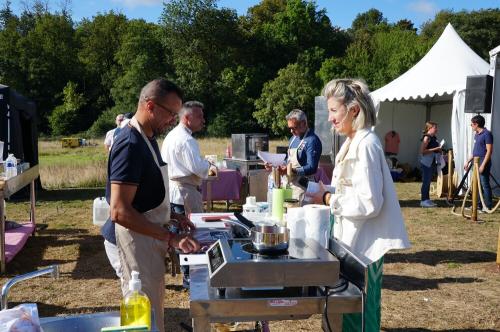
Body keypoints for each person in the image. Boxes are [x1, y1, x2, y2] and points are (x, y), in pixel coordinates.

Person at [308, 78, 410, 332]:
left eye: (334, 111)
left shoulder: (366, 144)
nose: (330, 118)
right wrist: (327, 192)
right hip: (349, 244)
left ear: (354, 109)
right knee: (344, 311)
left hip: (362, 249)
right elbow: (353, 189)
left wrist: (329, 199)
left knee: (359, 314)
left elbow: (370, 202)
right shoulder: (353, 141)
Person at [105, 78, 200, 332]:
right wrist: (170, 238)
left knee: (154, 312)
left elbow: (146, 195)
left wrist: (173, 216)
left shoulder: (148, 138)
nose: (173, 119)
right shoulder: (129, 144)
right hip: (133, 241)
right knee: (142, 318)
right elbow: (119, 210)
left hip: (147, 238)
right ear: (150, 105)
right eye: (170, 112)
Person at [161, 101, 215, 216]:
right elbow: (198, 168)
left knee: (177, 231)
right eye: (199, 117)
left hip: (173, 193)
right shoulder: (186, 140)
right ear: (187, 118)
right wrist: (213, 165)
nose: (203, 120)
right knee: (192, 231)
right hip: (184, 194)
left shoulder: (172, 135)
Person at [266, 109, 322, 202]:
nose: (291, 131)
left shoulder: (312, 140)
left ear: (303, 123)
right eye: (290, 128)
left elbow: (312, 168)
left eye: (294, 127)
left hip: (303, 188)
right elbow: (288, 160)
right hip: (290, 186)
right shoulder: (293, 139)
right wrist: (274, 166)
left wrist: (291, 170)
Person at [464, 114, 493, 210]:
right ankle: (478, 205)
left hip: (483, 161)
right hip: (475, 162)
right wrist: (468, 161)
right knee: (477, 185)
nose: (471, 126)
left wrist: (483, 165)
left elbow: (489, 151)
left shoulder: (487, 134)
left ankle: (487, 206)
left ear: (476, 124)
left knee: (484, 184)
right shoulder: (477, 135)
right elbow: (475, 151)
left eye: (472, 124)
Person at [419, 121, 442, 208]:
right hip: (426, 163)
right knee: (426, 182)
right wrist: (436, 148)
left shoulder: (434, 137)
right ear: (429, 128)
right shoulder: (427, 138)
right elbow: (422, 151)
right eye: (435, 128)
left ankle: (427, 199)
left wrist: (439, 150)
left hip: (432, 162)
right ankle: (423, 200)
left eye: (436, 128)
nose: (437, 129)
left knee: (428, 181)